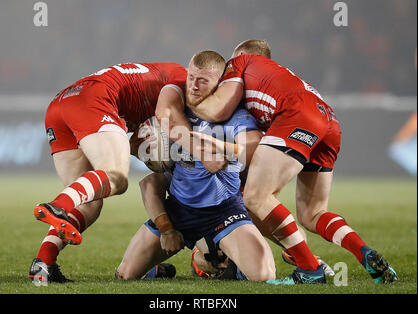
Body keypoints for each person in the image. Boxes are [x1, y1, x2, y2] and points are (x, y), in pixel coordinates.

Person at [188, 39, 397, 284]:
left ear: (243, 55)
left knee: (255, 197)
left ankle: (310, 269)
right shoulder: (275, 80)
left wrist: (183, 108)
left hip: (298, 116)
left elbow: (219, 109)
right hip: (328, 121)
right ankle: (363, 252)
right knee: (312, 213)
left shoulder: (241, 61)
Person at [29, 61, 226, 283]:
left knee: (88, 202)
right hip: (94, 99)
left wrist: (149, 151)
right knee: (117, 177)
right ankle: (59, 205)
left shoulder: (164, 83)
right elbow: (169, 124)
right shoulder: (181, 83)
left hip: (62, 103)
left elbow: (134, 143)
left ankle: (43, 264)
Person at [115, 50, 276, 282]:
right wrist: (167, 228)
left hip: (224, 210)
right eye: (191, 77)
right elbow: (148, 178)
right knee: (125, 275)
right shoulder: (174, 101)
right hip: (179, 210)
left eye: (203, 80)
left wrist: (225, 150)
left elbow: (255, 148)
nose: (193, 85)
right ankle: (162, 268)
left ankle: (226, 259)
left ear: (220, 83)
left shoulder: (234, 115)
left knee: (263, 276)